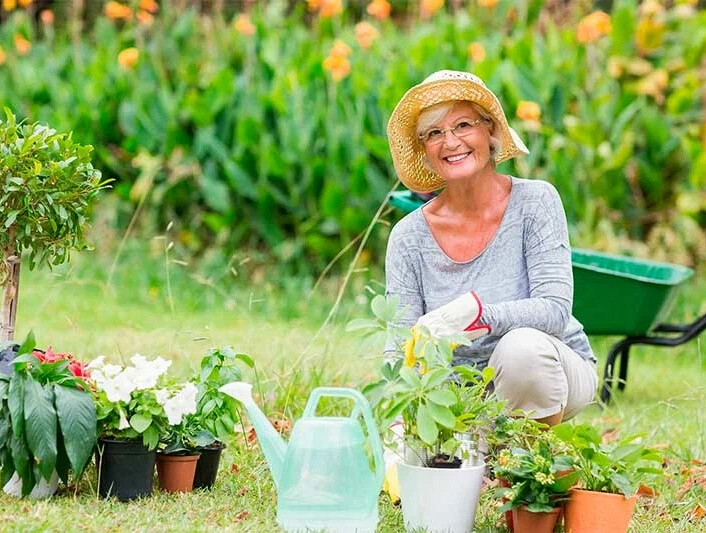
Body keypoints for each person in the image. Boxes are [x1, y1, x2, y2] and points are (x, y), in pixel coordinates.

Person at [385, 70, 597, 425]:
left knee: (521, 350)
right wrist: (394, 419)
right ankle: (485, 449)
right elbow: (399, 344)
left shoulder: (535, 202)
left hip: (548, 368)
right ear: (424, 150)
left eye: (463, 125)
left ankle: (532, 466)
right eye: (434, 133)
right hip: (455, 393)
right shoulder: (409, 237)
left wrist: (476, 317)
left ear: (491, 131)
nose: (450, 142)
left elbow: (554, 310)